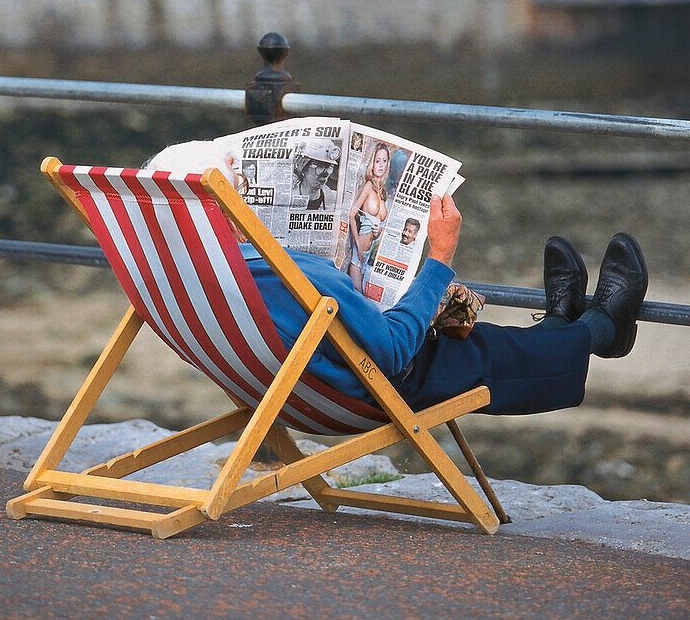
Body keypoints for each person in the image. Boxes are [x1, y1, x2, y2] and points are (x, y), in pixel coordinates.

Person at [147, 143, 649, 416]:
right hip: (374, 385)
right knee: (484, 352)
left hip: (292, 388)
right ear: (222, 211)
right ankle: (603, 329)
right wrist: (440, 255)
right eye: (239, 191)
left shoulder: (170, 270)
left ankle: (561, 321)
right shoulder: (283, 275)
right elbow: (391, 351)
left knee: (483, 339)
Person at [348, 141, 390, 293]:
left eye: (384, 161)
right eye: (377, 161)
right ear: (371, 163)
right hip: (358, 257)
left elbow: (377, 223)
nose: (380, 165)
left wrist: (378, 233)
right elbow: (352, 214)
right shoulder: (368, 186)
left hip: (367, 256)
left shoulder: (382, 192)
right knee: (359, 297)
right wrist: (357, 246)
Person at [291, 138, 339, 211]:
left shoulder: (335, 199)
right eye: (320, 166)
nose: (326, 173)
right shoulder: (288, 195)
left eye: (329, 167)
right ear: (303, 167)